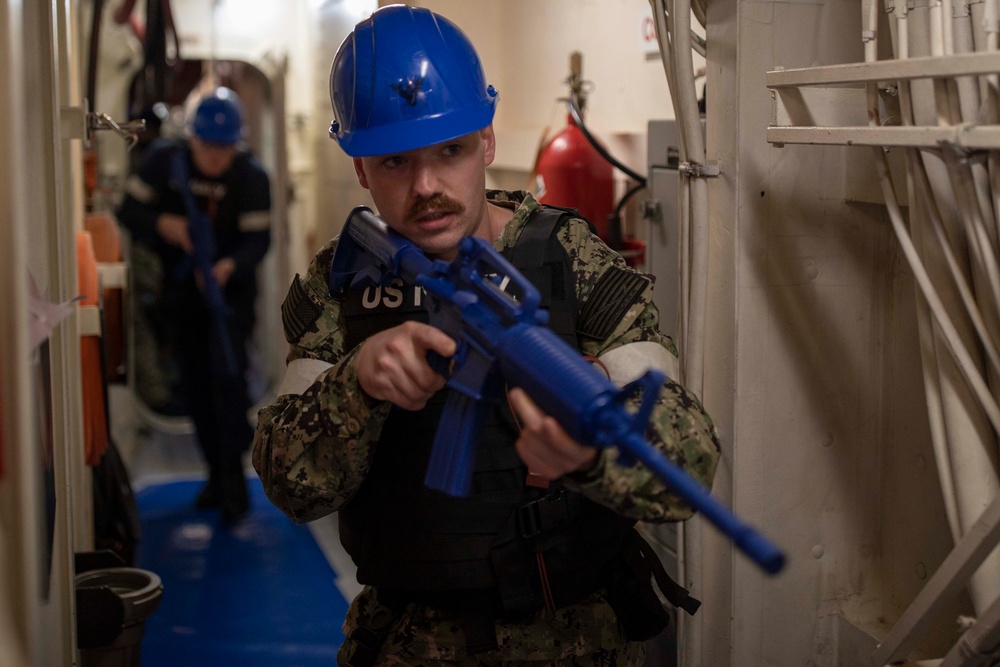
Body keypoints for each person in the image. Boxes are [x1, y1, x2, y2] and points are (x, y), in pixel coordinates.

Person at [253, 6, 719, 666]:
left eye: (451, 151)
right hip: (409, 642)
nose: (427, 187)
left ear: (488, 142)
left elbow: (691, 465)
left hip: (577, 642)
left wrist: (593, 445)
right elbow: (288, 484)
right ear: (360, 169)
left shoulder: (570, 260)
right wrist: (356, 381)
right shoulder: (347, 282)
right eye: (394, 162)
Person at [118, 86, 272, 524]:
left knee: (228, 387)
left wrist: (225, 267)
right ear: (192, 139)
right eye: (207, 146)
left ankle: (233, 482)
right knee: (195, 389)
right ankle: (213, 474)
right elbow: (128, 211)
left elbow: (259, 241)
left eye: (225, 149)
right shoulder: (165, 162)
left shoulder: (251, 177)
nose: (215, 158)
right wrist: (165, 225)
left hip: (230, 301)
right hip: (181, 295)